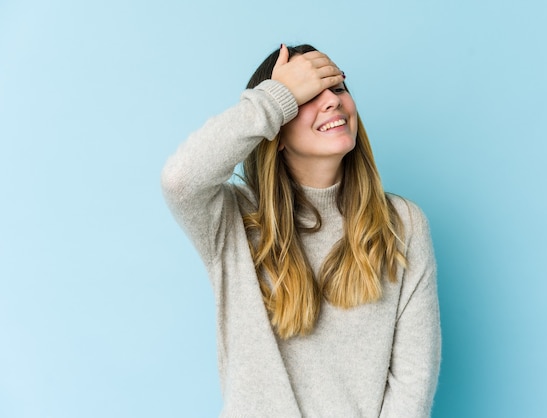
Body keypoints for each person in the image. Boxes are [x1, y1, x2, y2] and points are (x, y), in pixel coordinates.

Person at [161, 43, 441, 418]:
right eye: (307, 94)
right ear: (274, 127)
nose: (332, 102)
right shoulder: (233, 221)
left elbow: (412, 383)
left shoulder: (402, 224)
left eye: (338, 88)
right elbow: (180, 180)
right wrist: (275, 99)